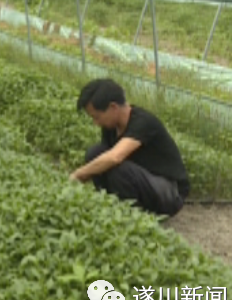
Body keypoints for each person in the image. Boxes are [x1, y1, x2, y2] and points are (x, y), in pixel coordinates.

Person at [71, 78, 189, 218]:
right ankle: (109, 208)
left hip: (169, 191)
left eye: (97, 117)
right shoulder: (111, 126)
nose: (96, 123)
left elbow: (115, 157)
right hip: (144, 180)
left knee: (118, 169)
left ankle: (131, 218)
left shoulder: (143, 122)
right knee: (95, 155)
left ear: (113, 107)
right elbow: (105, 157)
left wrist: (77, 175)